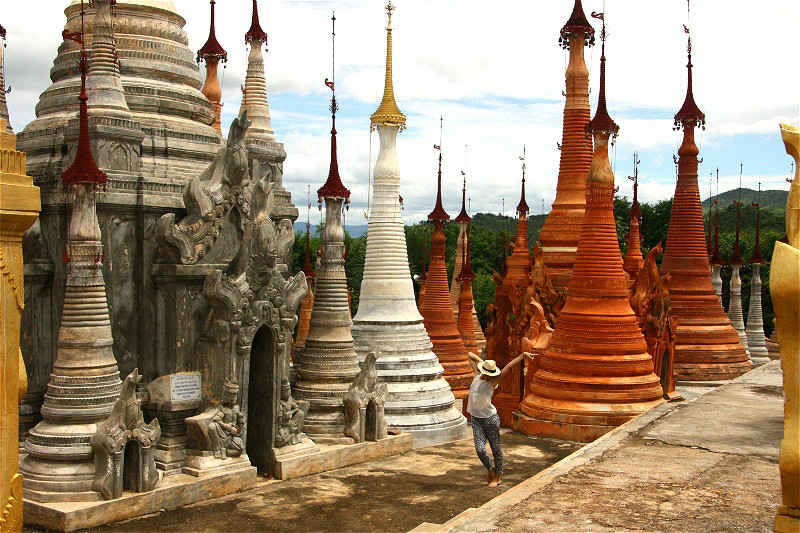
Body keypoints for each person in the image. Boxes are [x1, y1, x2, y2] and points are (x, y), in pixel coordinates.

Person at [466, 350, 524, 488]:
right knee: (480, 449)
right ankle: (490, 470)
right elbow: (470, 354)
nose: (486, 376)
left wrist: (522, 356)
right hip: (476, 419)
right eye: (486, 373)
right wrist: (483, 363)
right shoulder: (477, 376)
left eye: (489, 374)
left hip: (490, 419)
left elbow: (508, 368)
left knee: (495, 448)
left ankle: (498, 476)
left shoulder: (493, 383)